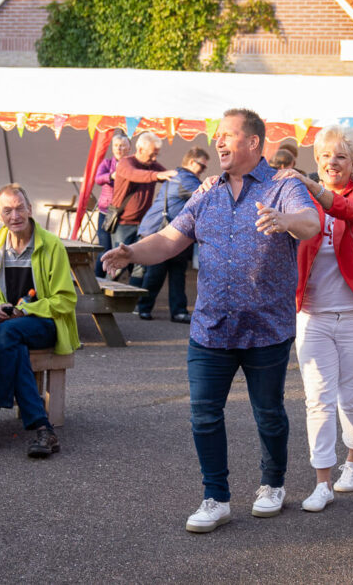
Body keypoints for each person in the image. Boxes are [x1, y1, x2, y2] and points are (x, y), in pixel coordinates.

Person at [103, 109, 318, 534]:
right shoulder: (206, 192)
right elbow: (169, 240)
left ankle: (272, 484)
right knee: (204, 415)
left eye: (228, 136)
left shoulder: (284, 185)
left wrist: (285, 220)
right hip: (211, 327)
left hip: (266, 327)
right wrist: (131, 252)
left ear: (254, 142)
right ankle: (216, 497)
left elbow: (310, 222)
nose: (218, 143)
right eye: (217, 136)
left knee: (269, 413)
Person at [277, 124, 353, 513]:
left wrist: (311, 188)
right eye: (325, 156)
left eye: (340, 156)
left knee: (349, 396)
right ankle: (322, 481)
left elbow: (346, 209)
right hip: (313, 313)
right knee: (317, 400)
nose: (331, 163)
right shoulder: (303, 195)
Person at [0, 184, 79, 459]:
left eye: (19, 208)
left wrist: (29, 311)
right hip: (7, 329)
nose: (14, 215)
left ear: (30, 210)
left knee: (8, 334)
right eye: (7, 210)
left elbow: (66, 300)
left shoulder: (51, 245)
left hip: (45, 324)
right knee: (10, 338)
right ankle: (43, 428)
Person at [134, 147, 209, 322]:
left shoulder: (178, 176)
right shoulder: (185, 178)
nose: (203, 171)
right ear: (191, 162)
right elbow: (208, 197)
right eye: (202, 166)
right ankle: (146, 307)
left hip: (171, 233)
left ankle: (176, 311)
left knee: (176, 272)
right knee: (157, 273)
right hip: (162, 232)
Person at [107, 132, 177, 280]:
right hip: (124, 223)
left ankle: (134, 302)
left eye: (156, 155)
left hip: (144, 224)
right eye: (152, 154)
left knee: (140, 268)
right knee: (117, 266)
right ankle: (106, 299)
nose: (154, 159)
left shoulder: (151, 165)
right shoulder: (126, 163)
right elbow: (136, 174)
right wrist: (157, 175)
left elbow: (166, 174)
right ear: (139, 150)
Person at [93, 133, 132, 276]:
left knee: (121, 250)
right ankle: (98, 281)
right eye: (116, 145)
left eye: (122, 145)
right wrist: (111, 176)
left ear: (129, 148)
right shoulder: (107, 163)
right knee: (104, 249)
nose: (119, 148)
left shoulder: (132, 164)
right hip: (106, 212)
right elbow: (97, 179)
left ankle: (116, 283)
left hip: (125, 214)